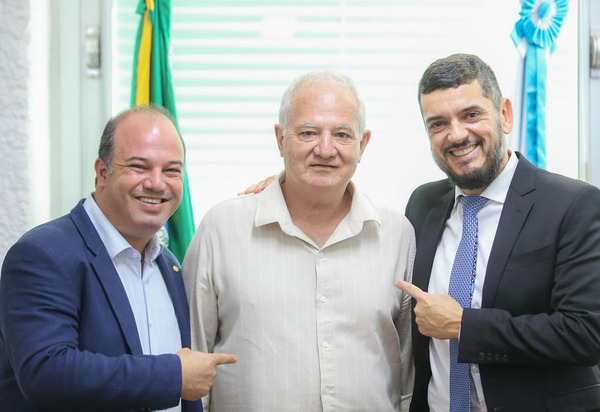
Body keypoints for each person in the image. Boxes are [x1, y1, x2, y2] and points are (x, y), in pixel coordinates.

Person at [182, 71, 415, 411]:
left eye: (342, 134)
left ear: (362, 144)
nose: (325, 148)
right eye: (308, 133)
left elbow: (409, 370)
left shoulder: (397, 235)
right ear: (280, 139)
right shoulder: (222, 229)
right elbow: (192, 363)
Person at [395, 53, 600, 411]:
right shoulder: (422, 203)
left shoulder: (575, 205)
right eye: (438, 123)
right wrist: (294, 188)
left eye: (471, 115)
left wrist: (464, 326)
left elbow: (585, 333)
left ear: (504, 114)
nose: (457, 134)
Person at [0, 105, 237, 412]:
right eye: (139, 166)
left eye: (171, 170)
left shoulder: (168, 264)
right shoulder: (42, 253)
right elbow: (45, 373)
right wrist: (173, 376)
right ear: (102, 172)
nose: (156, 183)